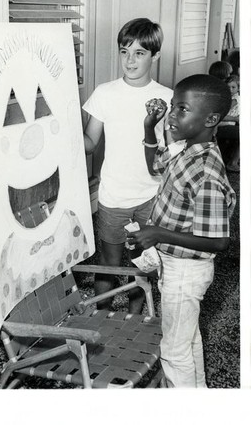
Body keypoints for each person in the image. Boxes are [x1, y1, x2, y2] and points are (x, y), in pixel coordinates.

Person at [127, 74, 236, 387]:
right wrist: (150, 126)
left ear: (211, 119)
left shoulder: (207, 174)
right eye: (173, 106)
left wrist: (159, 234)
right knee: (187, 340)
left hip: (187, 272)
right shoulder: (186, 149)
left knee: (173, 351)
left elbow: (219, 241)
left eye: (182, 109)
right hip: (174, 265)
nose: (172, 115)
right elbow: (154, 165)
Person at [82, 18, 173, 312]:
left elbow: (171, 154)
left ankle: (137, 318)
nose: (130, 60)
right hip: (113, 195)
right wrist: (60, 129)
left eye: (139, 53)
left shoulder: (168, 98)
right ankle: (101, 315)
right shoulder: (104, 93)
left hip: (151, 195)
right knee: (108, 262)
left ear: (155, 55)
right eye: (124, 52)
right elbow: (89, 143)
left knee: (142, 262)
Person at [217, 74, 240, 171]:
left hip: (228, 122)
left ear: (238, 88)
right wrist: (235, 119)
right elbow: (222, 113)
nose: (230, 90)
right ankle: (233, 162)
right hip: (225, 123)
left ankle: (233, 159)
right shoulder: (232, 99)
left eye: (233, 87)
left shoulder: (235, 98)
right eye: (228, 87)